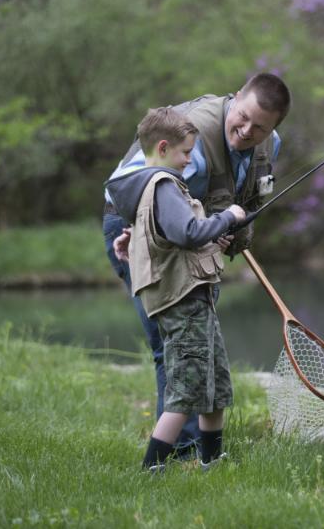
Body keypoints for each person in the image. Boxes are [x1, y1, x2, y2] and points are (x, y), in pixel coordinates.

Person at [102, 73, 291, 459]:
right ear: (235, 97)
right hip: (135, 228)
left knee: (199, 349)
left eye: (260, 127)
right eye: (243, 116)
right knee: (174, 348)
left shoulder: (269, 146)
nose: (246, 130)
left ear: (273, 129)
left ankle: (203, 453)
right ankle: (178, 453)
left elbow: (232, 203)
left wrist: (223, 230)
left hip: (194, 240)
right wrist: (132, 235)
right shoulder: (194, 137)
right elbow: (137, 192)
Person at [105, 106, 247, 470]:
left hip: (194, 298)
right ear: (164, 147)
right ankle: (151, 468)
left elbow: (168, 241)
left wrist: (213, 240)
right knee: (184, 393)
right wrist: (228, 216)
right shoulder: (163, 184)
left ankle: (212, 461)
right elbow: (186, 233)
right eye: (186, 152)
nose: (189, 160)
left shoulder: (151, 188)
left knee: (214, 386)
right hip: (183, 304)